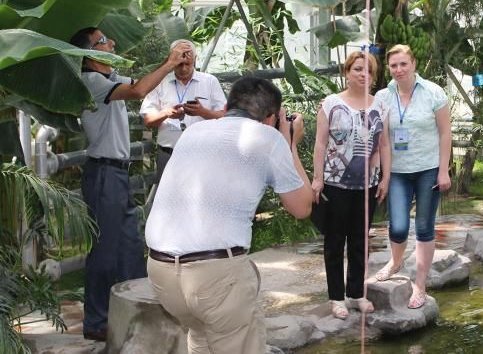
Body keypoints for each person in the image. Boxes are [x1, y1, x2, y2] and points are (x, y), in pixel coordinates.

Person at [145, 77, 313, 354]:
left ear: (226, 105)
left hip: (162, 273)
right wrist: (290, 142)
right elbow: (302, 207)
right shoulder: (269, 138)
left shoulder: (192, 133)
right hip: (214, 276)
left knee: (201, 337)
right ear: (271, 118)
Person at [69, 27, 193, 341]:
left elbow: (140, 86)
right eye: (103, 41)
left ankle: (136, 313)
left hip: (117, 174)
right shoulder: (92, 82)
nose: (112, 43)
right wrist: (168, 63)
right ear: (90, 54)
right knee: (106, 249)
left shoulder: (110, 80)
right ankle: (96, 321)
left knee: (129, 247)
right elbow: (138, 93)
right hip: (104, 174)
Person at [312, 51, 391, 319]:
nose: (362, 74)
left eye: (368, 70)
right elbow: (321, 142)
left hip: (367, 185)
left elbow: (384, 144)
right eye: (357, 69)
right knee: (335, 241)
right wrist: (317, 178)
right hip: (335, 183)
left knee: (360, 241)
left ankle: (356, 293)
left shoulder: (380, 106)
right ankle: (336, 297)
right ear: (347, 72)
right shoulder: (331, 104)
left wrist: (385, 178)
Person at [373, 44, 452, 309]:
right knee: (397, 226)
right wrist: (382, 173)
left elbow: (445, 133)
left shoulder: (433, 93)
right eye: (393, 65)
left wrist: (443, 170)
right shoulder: (383, 96)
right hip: (397, 171)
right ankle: (395, 262)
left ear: (414, 64)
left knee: (424, 227)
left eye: (403, 64)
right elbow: (381, 138)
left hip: (428, 169)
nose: (398, 70)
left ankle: (420, 284)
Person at [140, 39, 226, 183]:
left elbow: (225, 116)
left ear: (195, 59)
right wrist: (167, 113)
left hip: (203, 153)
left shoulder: (209, 81)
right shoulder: (160, 82)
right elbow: (148, 121)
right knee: (168, 200)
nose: (184, 68)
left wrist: (202, 112)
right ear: (172, 60)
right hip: (168, 153)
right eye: (179, 64)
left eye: (188, 64)